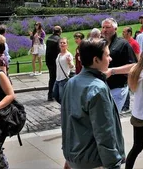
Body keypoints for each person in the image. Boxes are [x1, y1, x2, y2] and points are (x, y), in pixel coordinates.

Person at [61, 39, 125, 169]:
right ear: (96, 60)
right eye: (107, 55)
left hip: (76, 157)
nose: (110, 59)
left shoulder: (71, 83)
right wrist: (113, 164)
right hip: (95, 161)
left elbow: (67, 122)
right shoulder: (98, 88)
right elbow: (104, 132)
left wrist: (69, 157)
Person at [102, 18, 136, 113]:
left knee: (111, 117)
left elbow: (133, 66)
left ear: (115, 29)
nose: (105, 30)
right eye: (103, 27)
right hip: (102, 87)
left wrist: (112, 71)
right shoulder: (100, 44)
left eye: (108, 27)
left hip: (117, 88)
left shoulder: (123, 44)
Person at [53, 37, 74, 104]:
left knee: (62, 98)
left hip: (64, 79)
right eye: (61, 43)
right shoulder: (59, 55)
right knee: (55, 95)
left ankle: (65, 110)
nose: (62, 44)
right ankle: (66, 107)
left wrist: (69, 62)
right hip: (57, 79)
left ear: (67, 45)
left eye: (64, 43)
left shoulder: (68, 55)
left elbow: (72, 67)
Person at [45, 26, 62, 101]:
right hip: (55, 61)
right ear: (59, 31)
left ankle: (51, 94)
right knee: (55, 78)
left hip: (48, 60)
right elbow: (59, 51)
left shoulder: (49, 38)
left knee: (52, 77)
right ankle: (52, 94)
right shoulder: (58, 39)